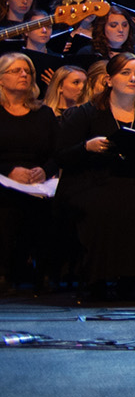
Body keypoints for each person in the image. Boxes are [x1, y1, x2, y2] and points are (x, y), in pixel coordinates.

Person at [53, 53, 135, 299]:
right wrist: (87, 147)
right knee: (109, 203)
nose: (133, 78)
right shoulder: (87, 112)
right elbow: (61, 156)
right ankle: (98, 279)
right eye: (125, 73)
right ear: (109, 80)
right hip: (95, 177)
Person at [1, 53, 59, 288]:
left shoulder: (43, 113)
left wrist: (44, 171)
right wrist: (8, 171)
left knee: (53, 205)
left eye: (28, 71)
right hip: (3, 179)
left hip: (38, 182)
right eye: (16, 71)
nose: (24, 75)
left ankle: (43, 271)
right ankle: (5, 270)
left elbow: (58, 152)